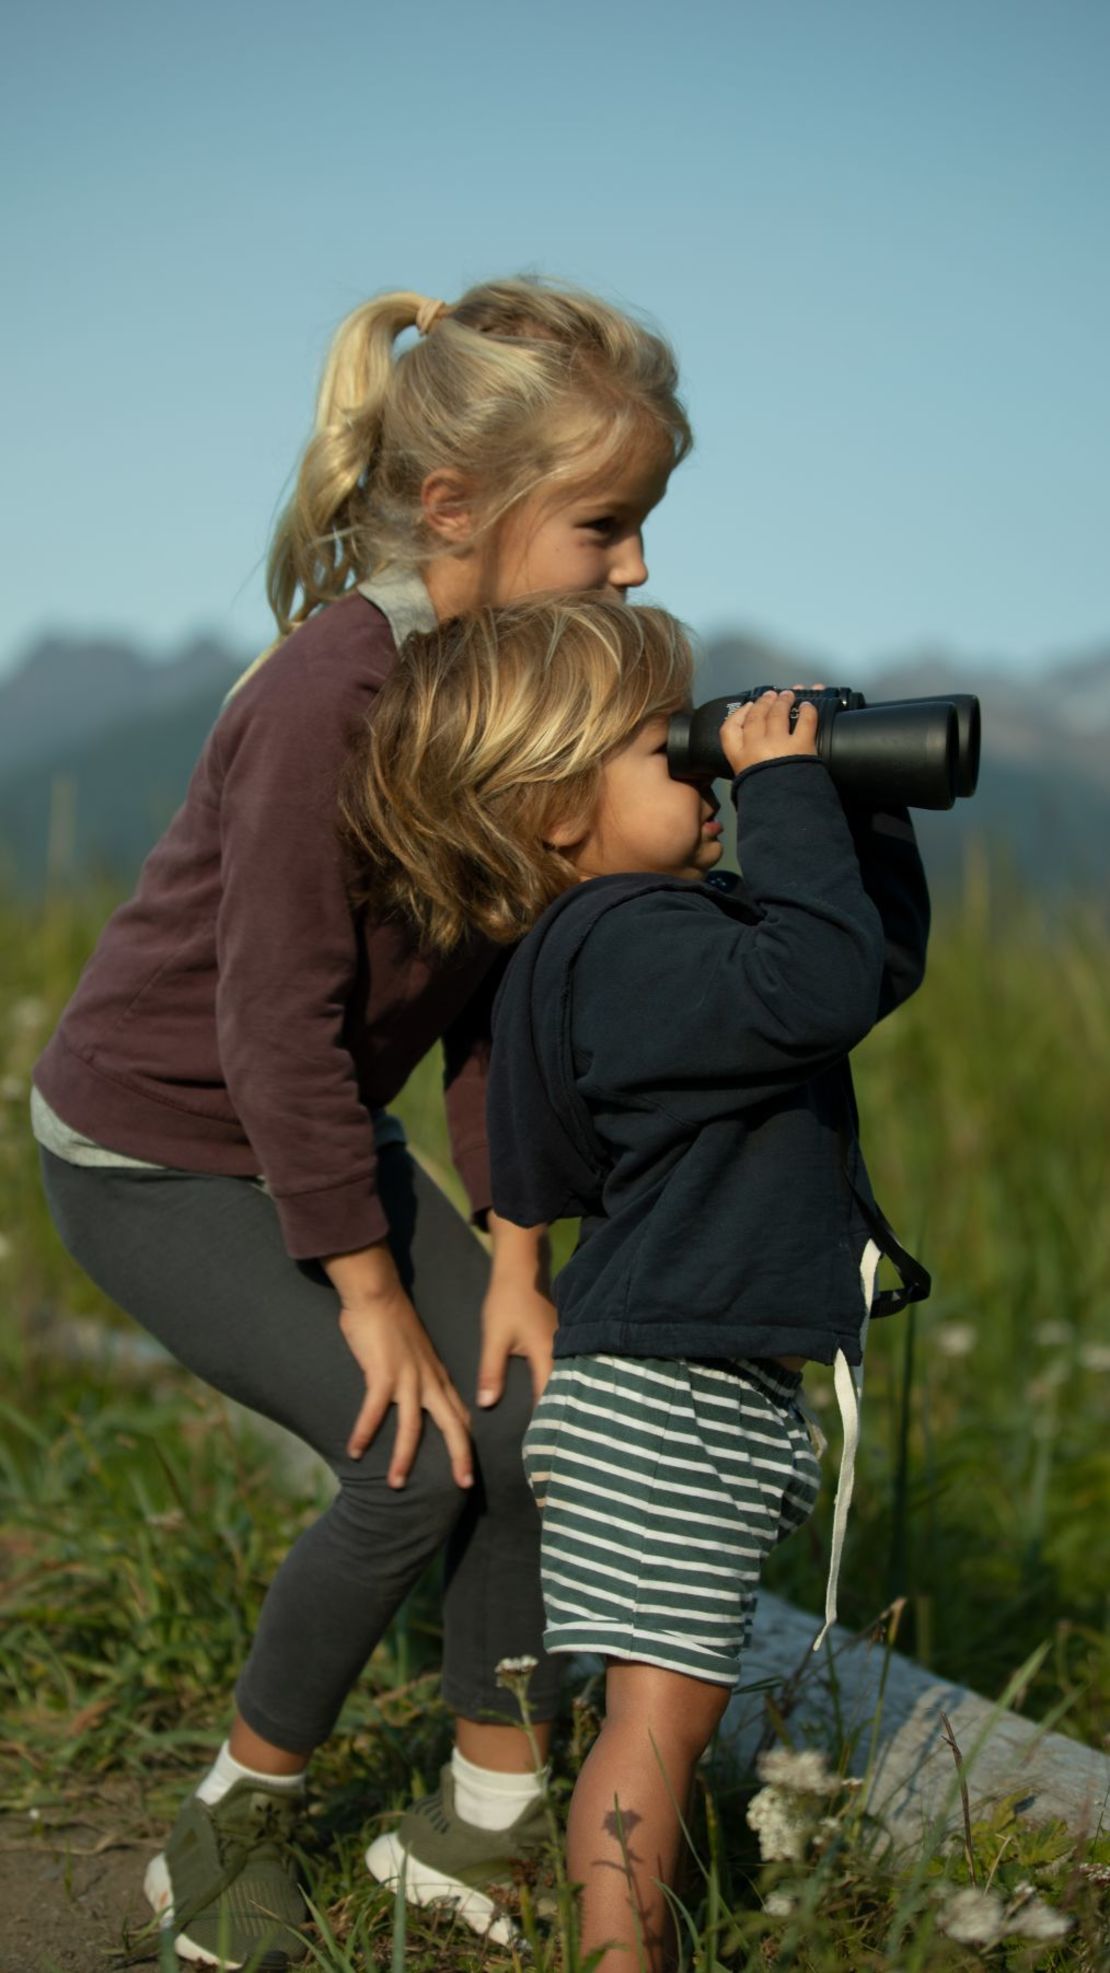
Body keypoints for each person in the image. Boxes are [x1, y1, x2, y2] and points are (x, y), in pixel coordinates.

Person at [31, 278, 691, 1969]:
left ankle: (475, 1827)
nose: (633, 565)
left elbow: (489, 1010)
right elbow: (266, 1026)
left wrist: (517, 1255)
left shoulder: (509, 686)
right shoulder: (334, 692)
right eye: (606, 523)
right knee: (404, 1456)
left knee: (528, 1415)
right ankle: (227, 1820)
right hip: (159, 1149)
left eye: (644, 527)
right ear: (459, 508)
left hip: (313, 1136)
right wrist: (374, 1292)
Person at [350, 594, 931, 1971]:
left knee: (660, 1707)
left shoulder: (617, 948)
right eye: (664, 749)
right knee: (656, 1721)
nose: (707, 765)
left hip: (668, 1381)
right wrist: (786, 788)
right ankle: (621, 1957)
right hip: (668, 1394)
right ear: (559, 811)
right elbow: (819, 985)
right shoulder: (626, 947)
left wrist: (859, 800)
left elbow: (866, 965)